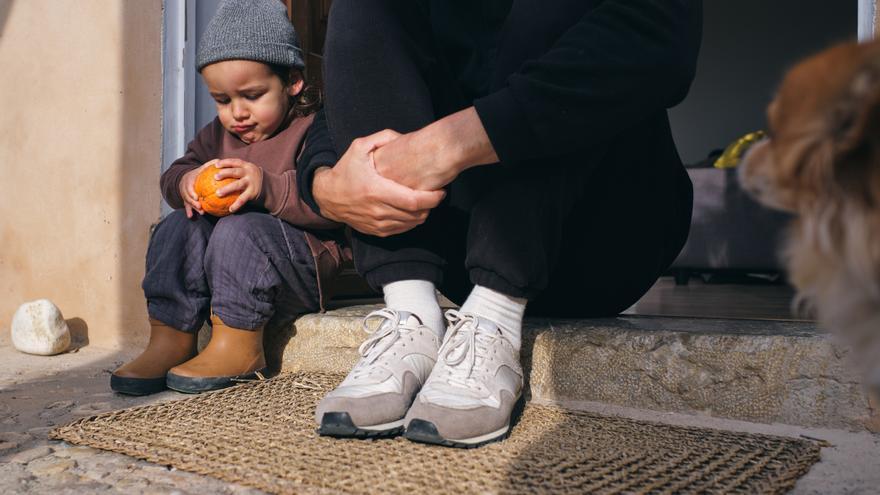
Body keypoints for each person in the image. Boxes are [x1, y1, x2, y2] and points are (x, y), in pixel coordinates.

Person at [301, 0, 704, 448]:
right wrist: (326, 183)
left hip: (604, 236)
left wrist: (452, 144)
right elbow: (353, 87)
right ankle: (411, 315)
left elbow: (663, 43)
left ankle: (495, 314)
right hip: (457, 261)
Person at [111, 0, 344, 395]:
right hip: (230, 272)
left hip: (297, 269)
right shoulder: (217, 137)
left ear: (292, 82)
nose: (237, 113)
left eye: (252, 95)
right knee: (177, 226)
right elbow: (174, 175)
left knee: (241, 227)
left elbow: (331, 202)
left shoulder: (313, 129)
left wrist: (267, 186)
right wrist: (186, 183)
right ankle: (170, 336)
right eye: (222, 100)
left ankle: (238, 343)